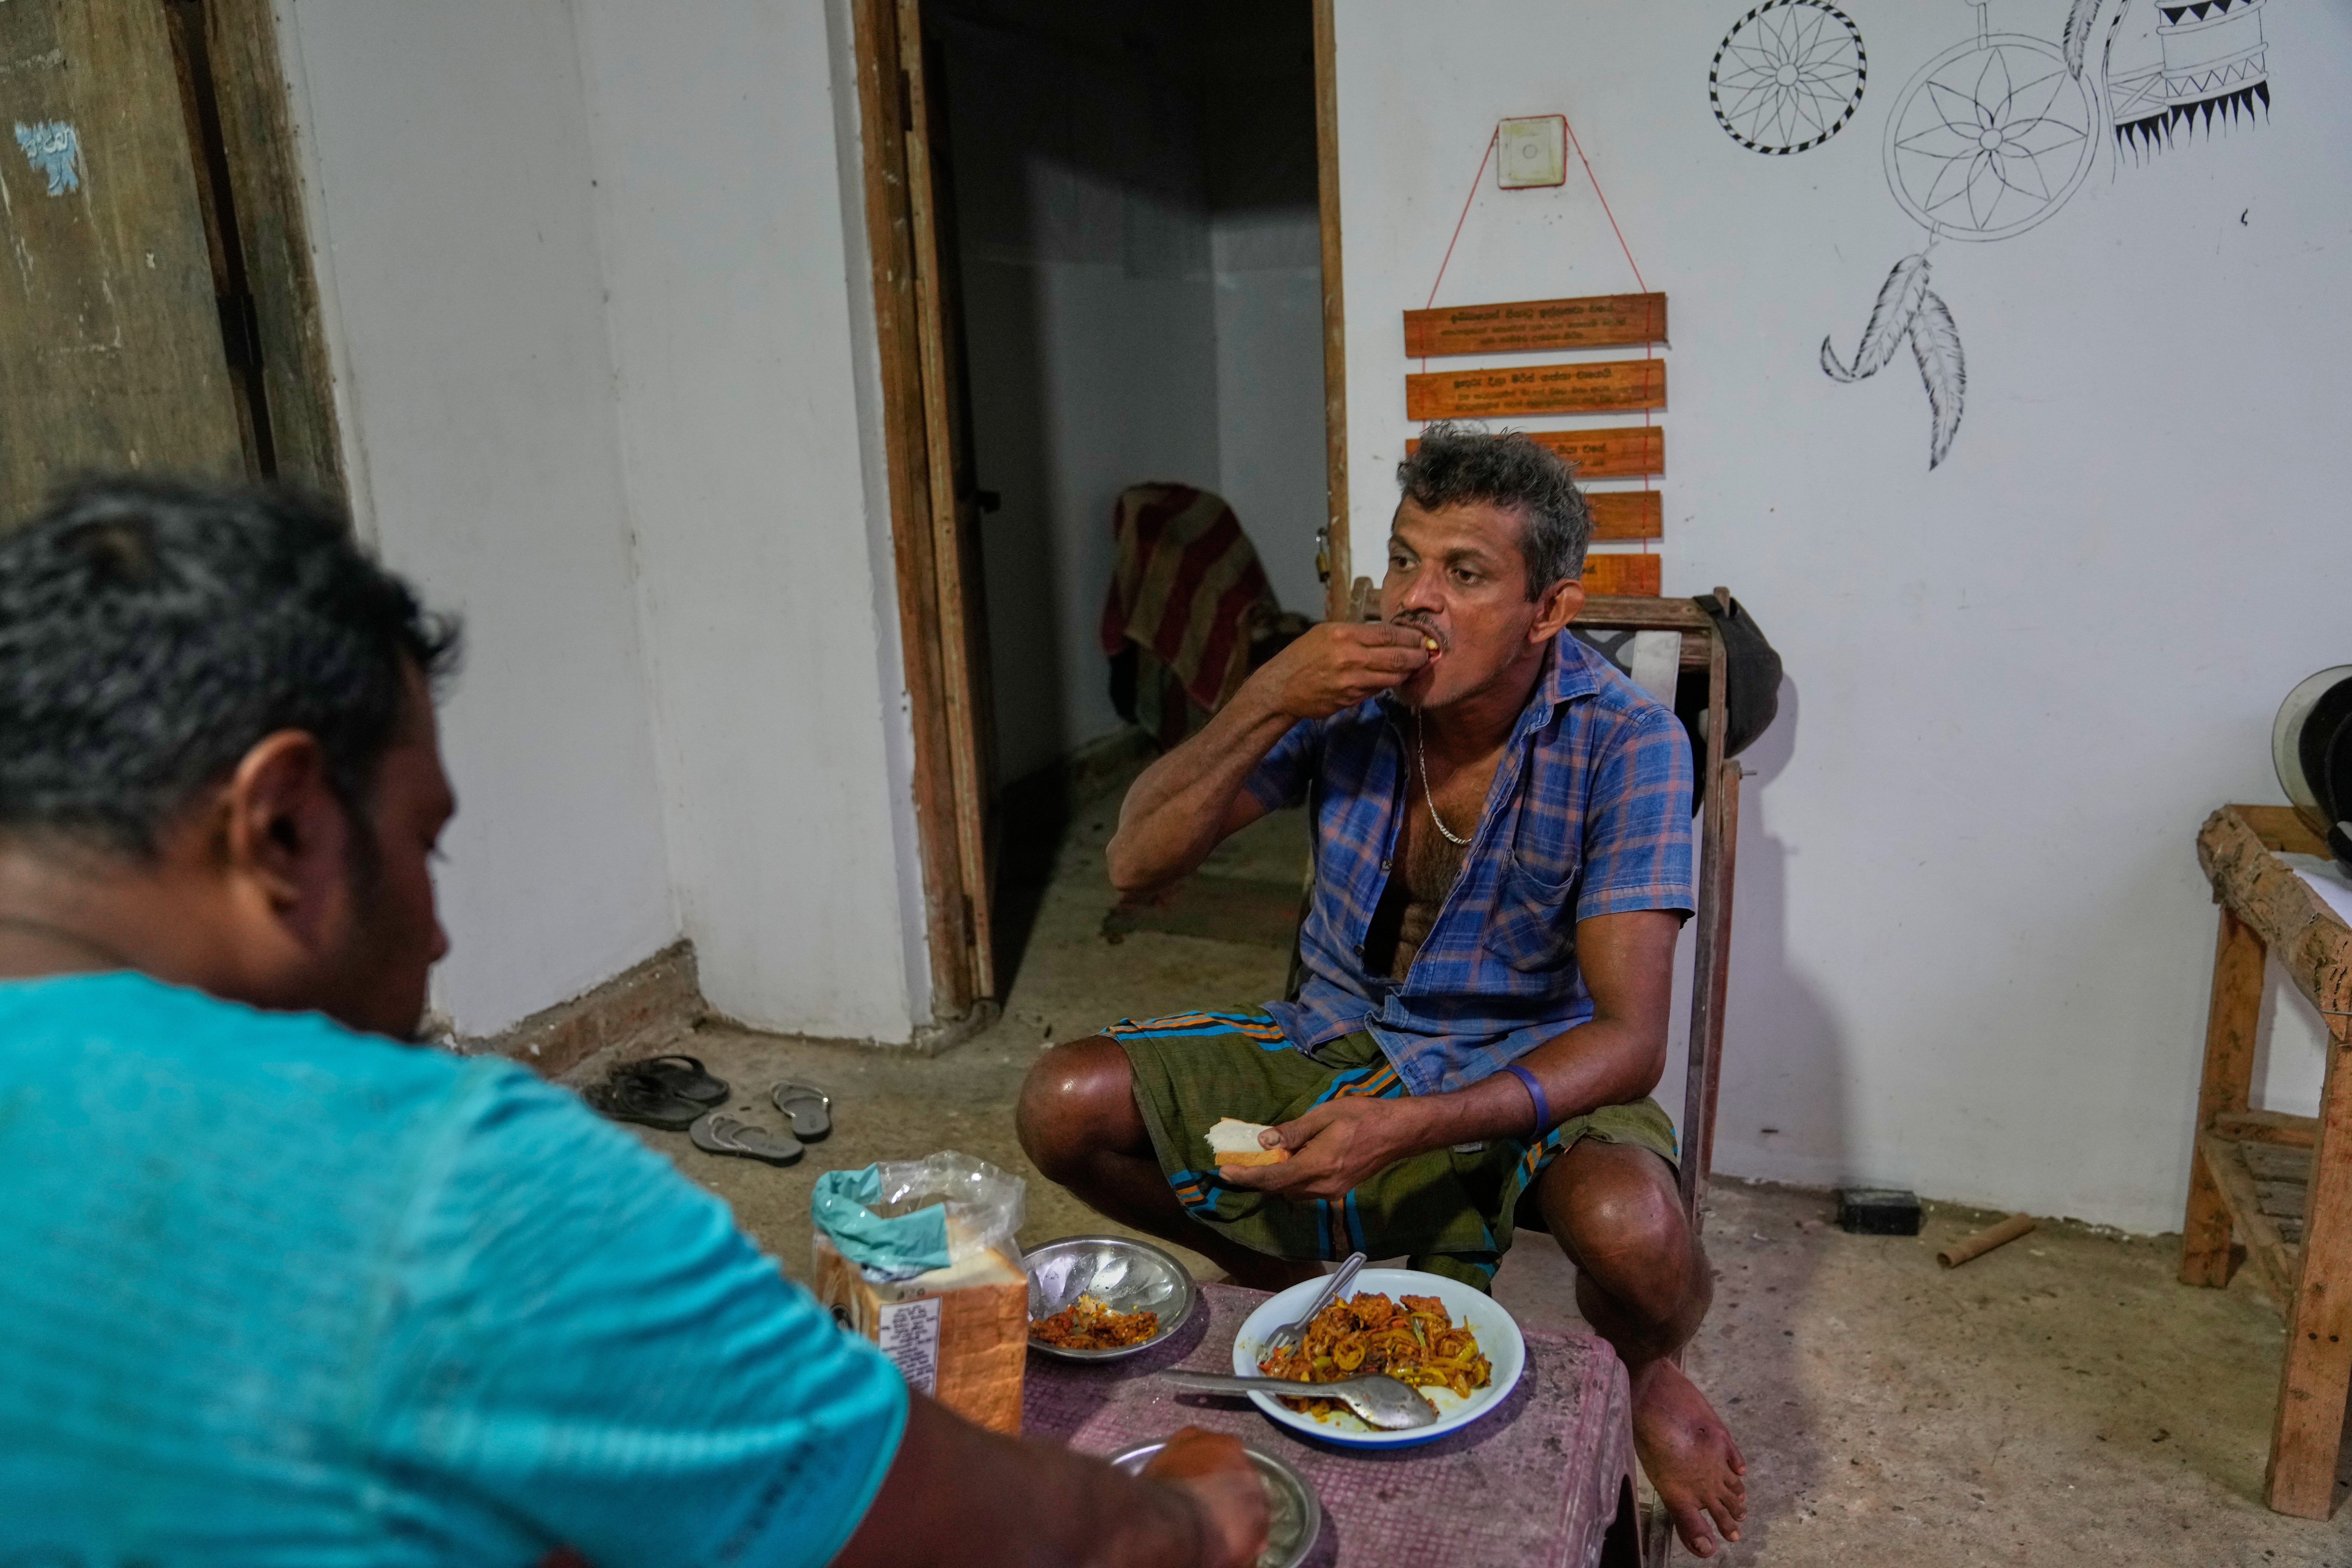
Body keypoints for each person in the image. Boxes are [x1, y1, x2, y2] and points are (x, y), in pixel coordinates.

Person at [0, 479, 1266, 1568]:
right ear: (282, 825)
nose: (438, 937)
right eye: (422, 843)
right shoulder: (443, 1190)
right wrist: (1189, 1519)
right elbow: (985, 1535)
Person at [1018, 424, 1747, 1556]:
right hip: (1338, 1032)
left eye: (1464, 575)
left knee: (1637, 1231)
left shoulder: (1628, 742)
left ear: (1548, 611)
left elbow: (1629, 1040)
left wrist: (1412, 1124)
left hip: (1526, 1058)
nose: (1417, 601)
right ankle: (1295, 1288)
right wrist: (1267, 696)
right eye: (1405, 561)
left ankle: (1648, 1375)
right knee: (1063, 1103)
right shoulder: (1344, 695)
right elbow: (1135, 863)